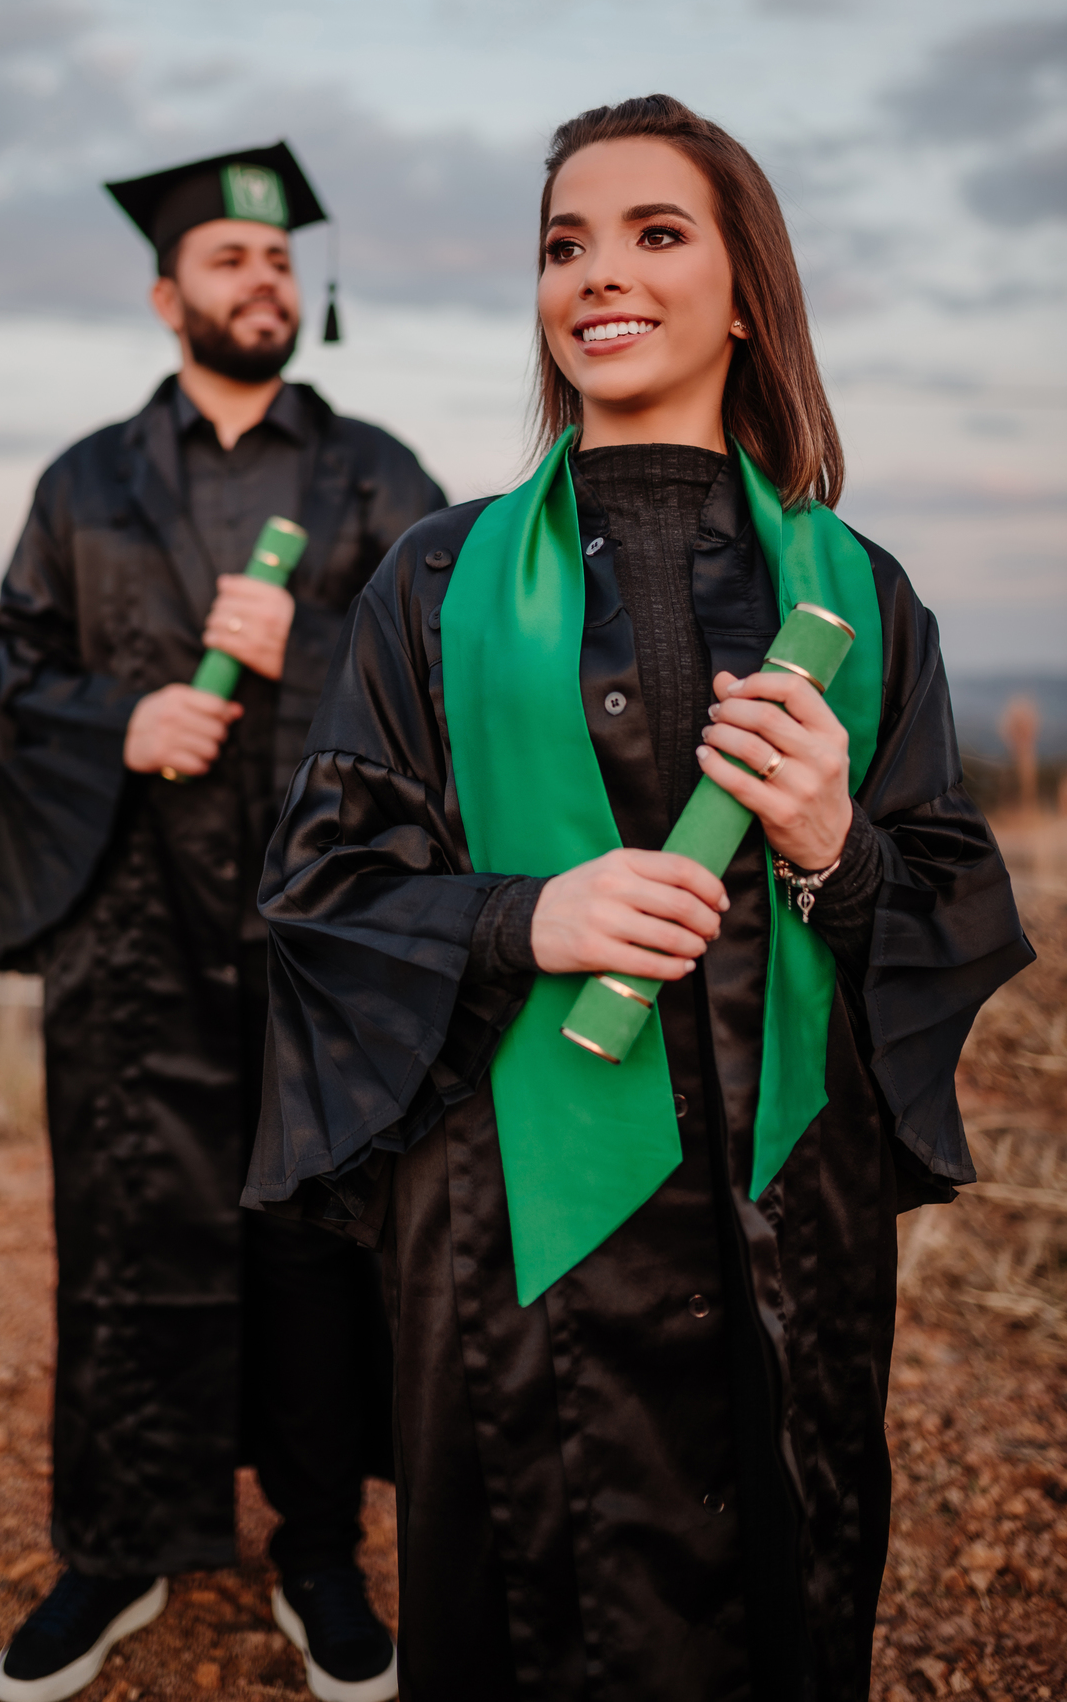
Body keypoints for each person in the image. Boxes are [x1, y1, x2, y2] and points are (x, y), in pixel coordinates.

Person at [242, 96, 1034, 1702]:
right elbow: (318, 893)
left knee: (785, 1592)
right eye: (564, 244)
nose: (596, 273)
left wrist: (832, 844)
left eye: (655, 233)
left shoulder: (860, 595)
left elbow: (947, 899)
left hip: (787, 1219)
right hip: (515, 1237)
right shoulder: (437, 582)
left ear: (746, 292)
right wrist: (521, 920)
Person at [0, 142, 445, 1702]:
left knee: (318, 1242)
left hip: (326, 944)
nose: (264, 279)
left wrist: (309, 656)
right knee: (131, 1240)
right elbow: (11, 676)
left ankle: (319, 1547)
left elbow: (452, 674)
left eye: (281, 259)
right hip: (132, 941)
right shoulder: (85, 482)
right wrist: (126, 719)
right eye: (230, 259)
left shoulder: (376, 476)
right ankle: (119, 1545)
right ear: (167, 294)